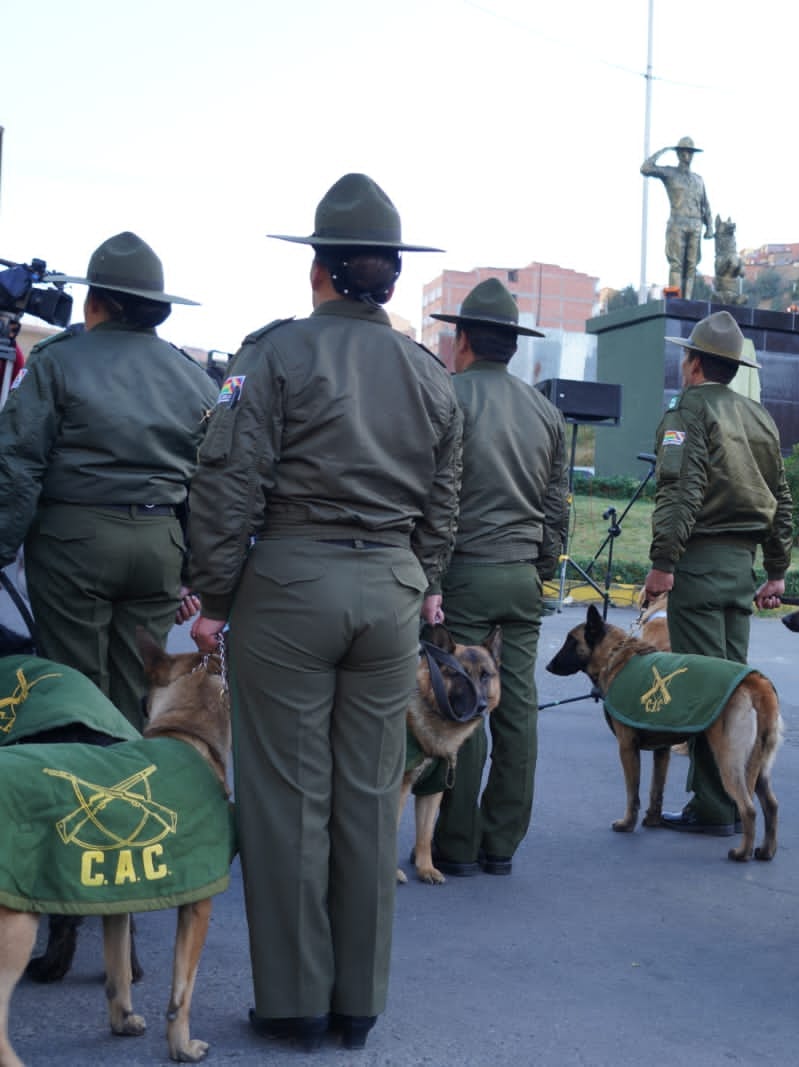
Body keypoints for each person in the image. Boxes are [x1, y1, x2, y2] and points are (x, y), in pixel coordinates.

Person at [186, 174, 462, 1051]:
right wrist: (414, 578)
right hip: (390, 590)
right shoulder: (429, 375)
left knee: (284, 797)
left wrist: (216, 598)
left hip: (292, 587)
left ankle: (294, 1001)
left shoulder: (272, 355)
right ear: (386, 280)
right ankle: (357, 1003)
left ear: (318, 270)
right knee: (370, 791)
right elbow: (445, 507)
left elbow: (228, 486)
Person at [0, 232, 213, 730]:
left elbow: (18, 463)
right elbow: (209, 483)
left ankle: (79, 793)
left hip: (75, 541)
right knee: (136, 689)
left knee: (72, 688)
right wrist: (196, 576)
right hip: (159, 547)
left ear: (95, 300)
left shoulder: (58, 360)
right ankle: (125, 792)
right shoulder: (194, 378)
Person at [425, 278, 568, 878]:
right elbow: (558, 506)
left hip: (463, 573)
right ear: (514, 346)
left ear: (462, 340)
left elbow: (431, 496)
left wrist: (428, 577)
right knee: (517, 706)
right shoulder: (544, 409)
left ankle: (454, 845)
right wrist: (540, 570)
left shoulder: (446, 396)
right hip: (520, 578)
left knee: (461, 699)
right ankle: (501, 843)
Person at [641, 310, 792, 836]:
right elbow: (781, 497)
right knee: (735, 687)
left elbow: (679, 492)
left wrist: (663, 564)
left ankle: (713, 805)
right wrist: (776, 569)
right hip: (742, 567)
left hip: (699, 565)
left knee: (706, 688)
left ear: (694, 364)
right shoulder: (760, 417)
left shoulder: (688, 411)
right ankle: (734, 797)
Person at [641, 136, 713, 293]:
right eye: (683, 152)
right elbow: (645, 168)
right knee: (676, 263)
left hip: (695, 224)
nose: (687, 156)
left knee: (692, 265)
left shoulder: (698, 180)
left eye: (690, 152)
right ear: (678, 154)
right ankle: (676, 299)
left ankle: (687, 299)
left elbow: (705, 204)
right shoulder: (670, 173)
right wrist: (663, 151)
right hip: (677, 223)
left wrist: (710, 226)